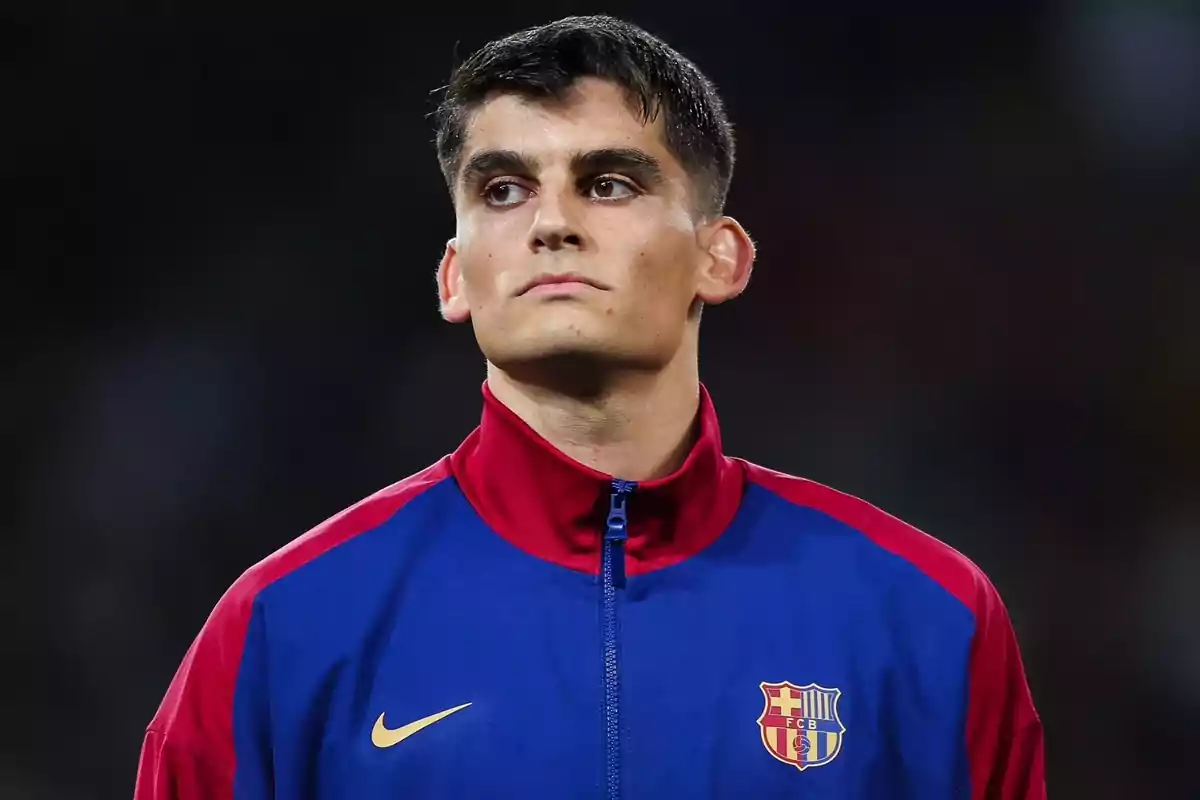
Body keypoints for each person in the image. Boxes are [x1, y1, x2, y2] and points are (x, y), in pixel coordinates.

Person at [135, 15, 1044, 799]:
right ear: (456, 276)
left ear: (720, 257)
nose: (550, 222)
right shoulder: (283, 628)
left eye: (609, 183)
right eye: (503, 189)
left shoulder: (927, 618)